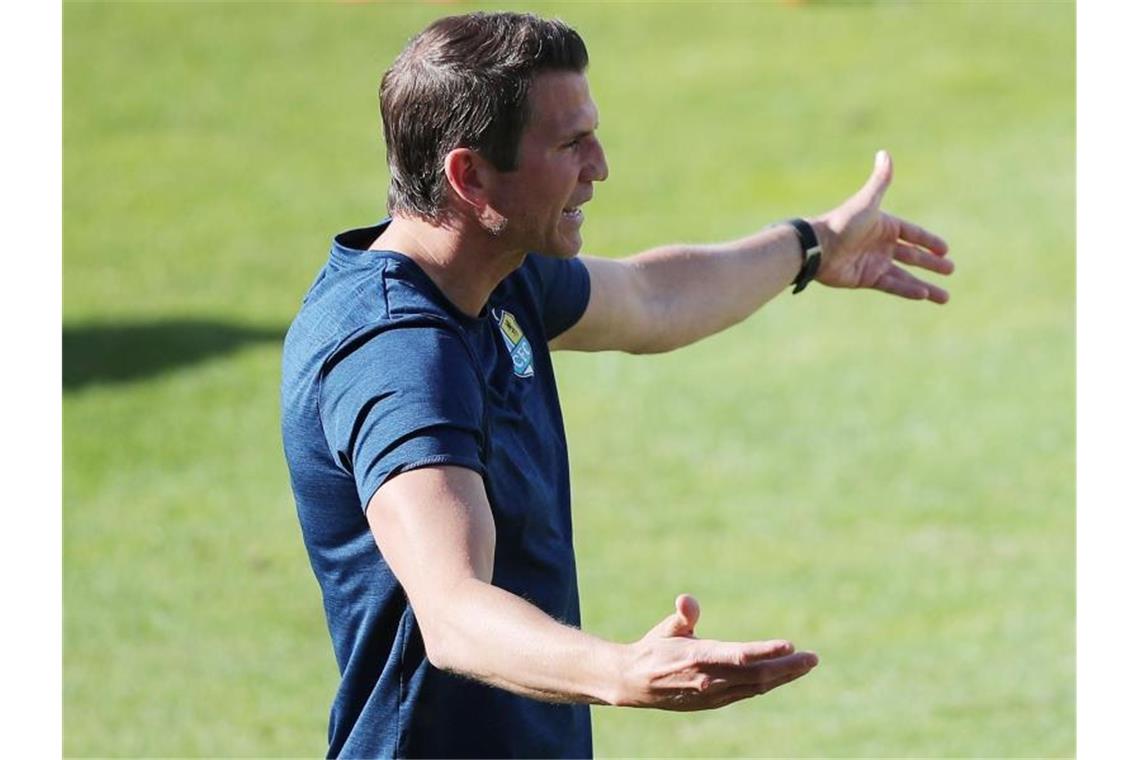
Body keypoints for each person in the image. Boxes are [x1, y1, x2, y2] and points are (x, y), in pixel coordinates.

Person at [281, 11, 952, 758]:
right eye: (571, 144)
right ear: (470, 177)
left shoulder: (495, 276)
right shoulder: (397, 356)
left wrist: (813, 247)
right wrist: (621, 670)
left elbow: (651, 298)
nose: (600, 166)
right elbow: (453, 612)